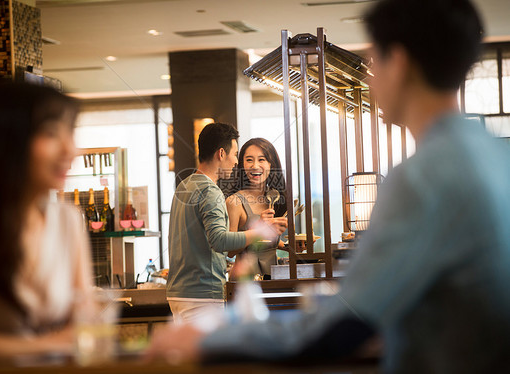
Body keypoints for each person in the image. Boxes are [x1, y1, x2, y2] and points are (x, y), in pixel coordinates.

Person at [146, 0, 510, 372]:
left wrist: (214, 341)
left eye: (373, 62)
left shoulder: (421, 176)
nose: (370, 78)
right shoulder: (498, 160)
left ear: (398, 63)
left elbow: (348, 320)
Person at [0, 83, 94, 363]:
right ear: (10, 140)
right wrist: (53, 343)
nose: (70, 149)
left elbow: (83, 328)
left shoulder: (68, 220)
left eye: (71, 133)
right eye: (51, 133)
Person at [166, 123, 287, 324]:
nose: (236, 162)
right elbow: (220, 241)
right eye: (236, 155)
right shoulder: (210, 192)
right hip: (202, 294)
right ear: (221, 153)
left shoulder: (184, 185)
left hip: (178, 292)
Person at [225, 138, 286, 279]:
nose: (255, 165)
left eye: (262, 159)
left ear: (271, 164)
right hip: (245, 280)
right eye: (249, 160)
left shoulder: (274, 197)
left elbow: (267, 243)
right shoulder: (234, 201)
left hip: (273, 277)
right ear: (242, 165)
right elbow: (229, 251)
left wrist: (292, 246)